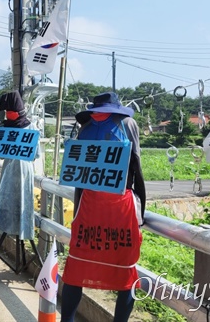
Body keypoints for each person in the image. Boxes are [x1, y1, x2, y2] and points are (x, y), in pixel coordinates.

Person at [60, 92, 146, 322]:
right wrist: (142, 209)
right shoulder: (128, 124)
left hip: (89, 203)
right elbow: (136, 165)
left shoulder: (85, 127)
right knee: (125, 267)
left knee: (77, 264)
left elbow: (79, 173)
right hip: (120, 205)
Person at [0, 91, 38, 241]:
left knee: (22, 202)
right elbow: (36, 154)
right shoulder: (4, 128)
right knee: (7, 201)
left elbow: (34, 153)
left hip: (20, 171)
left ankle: (22, 233)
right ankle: (9, 230)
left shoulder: (30, 127)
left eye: (8, 112)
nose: (7, 115)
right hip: (12, 169)